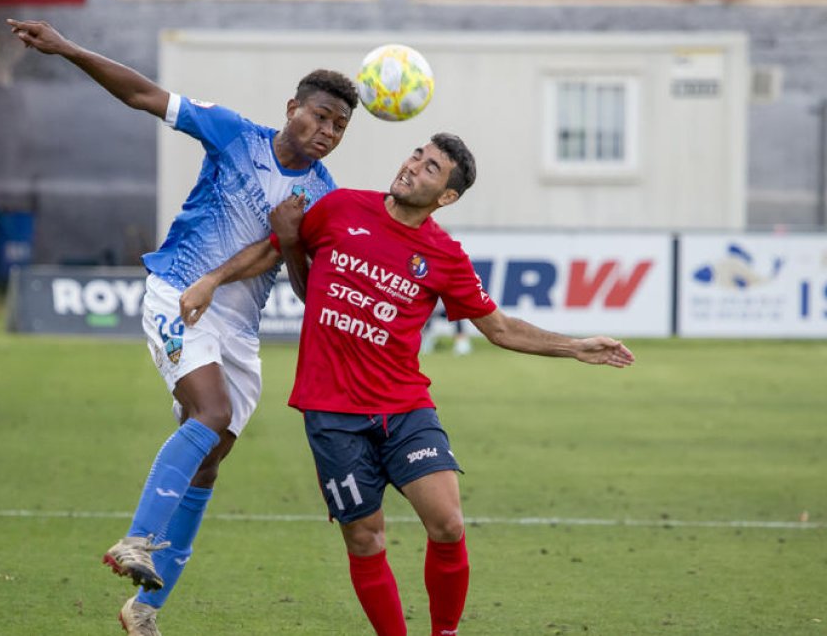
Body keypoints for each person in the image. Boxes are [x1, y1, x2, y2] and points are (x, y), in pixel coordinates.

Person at [180, 133, 635, 636]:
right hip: (331, 414)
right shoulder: (340, 207)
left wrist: (575, 347)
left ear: (446, 197)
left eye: (431, 167)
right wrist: (216, 278)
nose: (413, 166)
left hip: (404, 408)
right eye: (417, 155)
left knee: (448, 523)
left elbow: (499, 328)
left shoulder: (444, 254)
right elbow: (283, 261)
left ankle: (445, 632)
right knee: (366, 540)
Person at [6, 18, 359, 634]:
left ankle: (144, 610)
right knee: (211, 415)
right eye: (320, 116)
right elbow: (145, 95)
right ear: (292, 107)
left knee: (211, 460)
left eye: (339, 126)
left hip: (237, 329)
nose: (327, 132)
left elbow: (302, 286)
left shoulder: (323, 197)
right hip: (178, 292)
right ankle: (137, 539)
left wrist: (290, 239)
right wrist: (65, 48)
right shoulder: (234, 134)